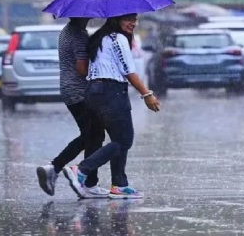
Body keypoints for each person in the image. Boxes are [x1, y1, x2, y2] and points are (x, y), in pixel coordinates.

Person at [62, 13, 160, 199]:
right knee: (124, 140)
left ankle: (119, 185)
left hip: (93, 92)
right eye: (128, 19)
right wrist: (147, 94)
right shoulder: (118, 39)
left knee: (113, 139)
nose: (133, 23)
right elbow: (129, 71)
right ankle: (81, 170)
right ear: (116, 20)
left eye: (135, 19)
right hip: (111, 91)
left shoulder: (100, 38)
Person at [37, 17, 108, 198]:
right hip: (80, 92)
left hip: (70, 91)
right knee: (95, 135)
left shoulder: (68, 31)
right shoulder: (77, 35)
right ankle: (88, 182)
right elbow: (82, 69)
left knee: (90, 135)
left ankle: (55, 168)